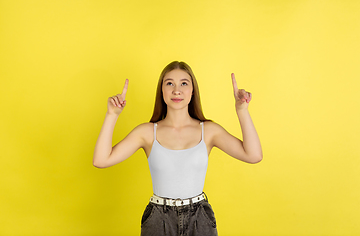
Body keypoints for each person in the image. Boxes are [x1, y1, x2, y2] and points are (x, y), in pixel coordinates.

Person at [93, 61, 262, 236]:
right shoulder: (147, 132)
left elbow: (253, 155)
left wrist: (242, 110)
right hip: (159, 219)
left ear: (192, 90)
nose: (176, 90)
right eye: (169, 83)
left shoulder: (209, 131)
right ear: (162, 91)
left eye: (183, 83)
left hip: (200, 218)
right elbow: (101, 160)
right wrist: (111, 115)